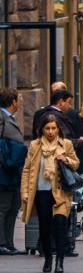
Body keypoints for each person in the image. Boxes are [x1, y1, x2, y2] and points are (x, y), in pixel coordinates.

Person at [21, 115, 79, 273]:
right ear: (42, 129)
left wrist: (66, 159)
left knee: (60, 227)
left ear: (58, 128)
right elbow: (27, 169)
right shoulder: (35, 145)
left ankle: (60, 261)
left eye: (54, 128)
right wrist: (25, 192)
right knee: (44, 229)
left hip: (60, 193)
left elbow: (76, 163)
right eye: (47, 128)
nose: (51, 132)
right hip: (40, 192)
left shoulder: (65, 144)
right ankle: (48, 258)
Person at [0, 87, 25, 255]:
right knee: (3, 208)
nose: (20, 102)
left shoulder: (10, 118)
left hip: (14, 171)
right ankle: (1, 243)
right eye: (18, 99)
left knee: (13, 207)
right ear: (13, 101)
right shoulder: (1, 118)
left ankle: (9, 243)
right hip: (4, 171)